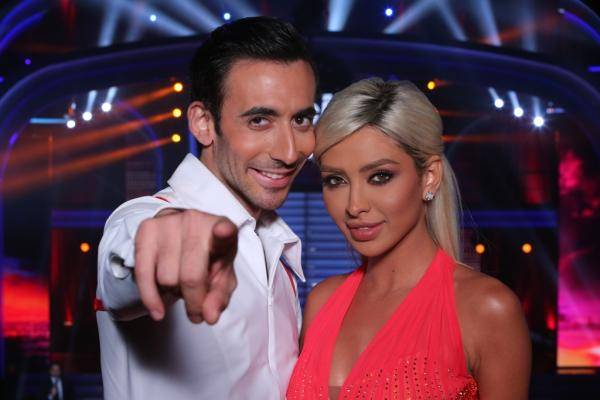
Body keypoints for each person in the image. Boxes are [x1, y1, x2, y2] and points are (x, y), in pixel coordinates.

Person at [96, 16, 318, 399]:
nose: (289, 151)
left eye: (300, 119)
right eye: (260, 120)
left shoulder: (277, 254)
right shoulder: (146, 217)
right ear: (203, 123)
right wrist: (166, 238)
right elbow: (130, 257)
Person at [287, 78, 531, 399]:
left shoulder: (485, 309)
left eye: (380, 177)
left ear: (429, 177)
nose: (354, 205)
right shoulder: (322, 302)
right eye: (335, 180)